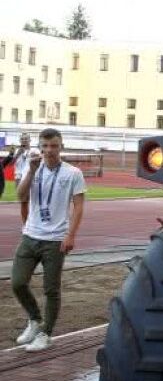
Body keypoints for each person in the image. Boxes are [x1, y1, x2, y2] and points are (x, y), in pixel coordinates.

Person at [12, 129, 87, 352]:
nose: (49, 151)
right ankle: (35, 320)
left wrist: (71, 235)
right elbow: (20, 197)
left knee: (51, 290)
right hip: (31, 234)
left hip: (56, 239)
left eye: (53, 146)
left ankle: (46, 333)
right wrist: (31, 171)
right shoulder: (32, 167)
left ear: (60, 146)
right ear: (40, 147)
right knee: (17, 282)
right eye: (44, 146)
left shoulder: (73, 173)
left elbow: (79, 206)